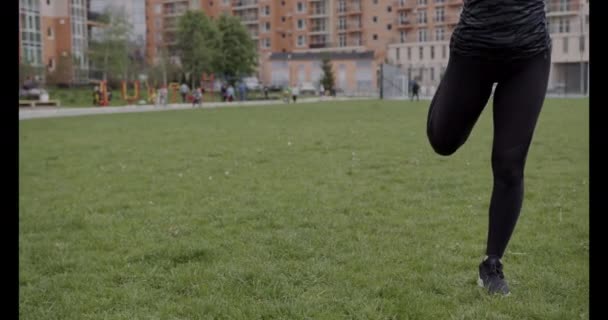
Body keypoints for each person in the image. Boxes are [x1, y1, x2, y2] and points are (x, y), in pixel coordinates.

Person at [426, 0, 552, 296]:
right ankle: (445, 91)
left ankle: (492, 263)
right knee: (443, 141)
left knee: (510, 164)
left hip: (529, 51)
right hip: (474, 47)